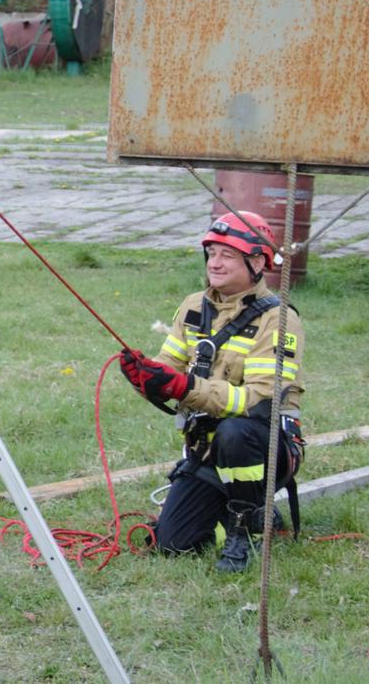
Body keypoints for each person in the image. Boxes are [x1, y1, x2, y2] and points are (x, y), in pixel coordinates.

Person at [118, 211, 306, 573]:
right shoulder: (192, 306)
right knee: (171, 543)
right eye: (211, 253)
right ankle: (240, 512)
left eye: (227, 255)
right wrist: (147, 378)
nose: (214, 263)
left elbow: (258, 401)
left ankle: (245, 528)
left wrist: (187, 388)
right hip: (206, 450)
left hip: (263, 447)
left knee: (236, 432)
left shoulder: (278, 319)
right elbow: (168, 370)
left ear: (256, 262)